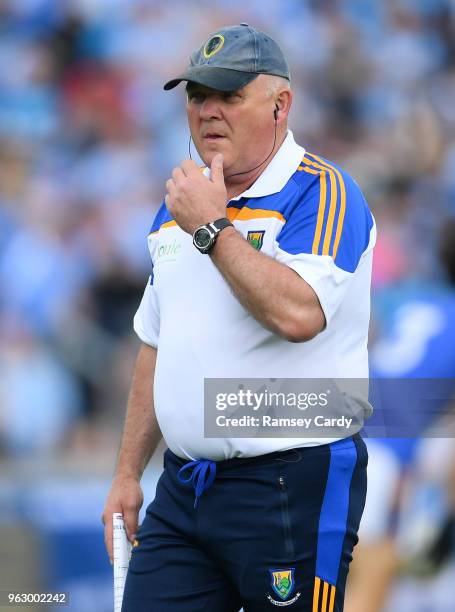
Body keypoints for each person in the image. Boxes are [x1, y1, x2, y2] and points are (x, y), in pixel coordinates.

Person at [102, 23, 376, 611]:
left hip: (290, 480)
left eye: (229, 95)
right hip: (184, 487)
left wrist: (211, 226)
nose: (208, 111)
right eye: (198, 96)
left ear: (280, 106)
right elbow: (156, 343)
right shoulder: (179, 204)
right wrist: (128, 473)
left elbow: (299, 313)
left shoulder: (324, 191)